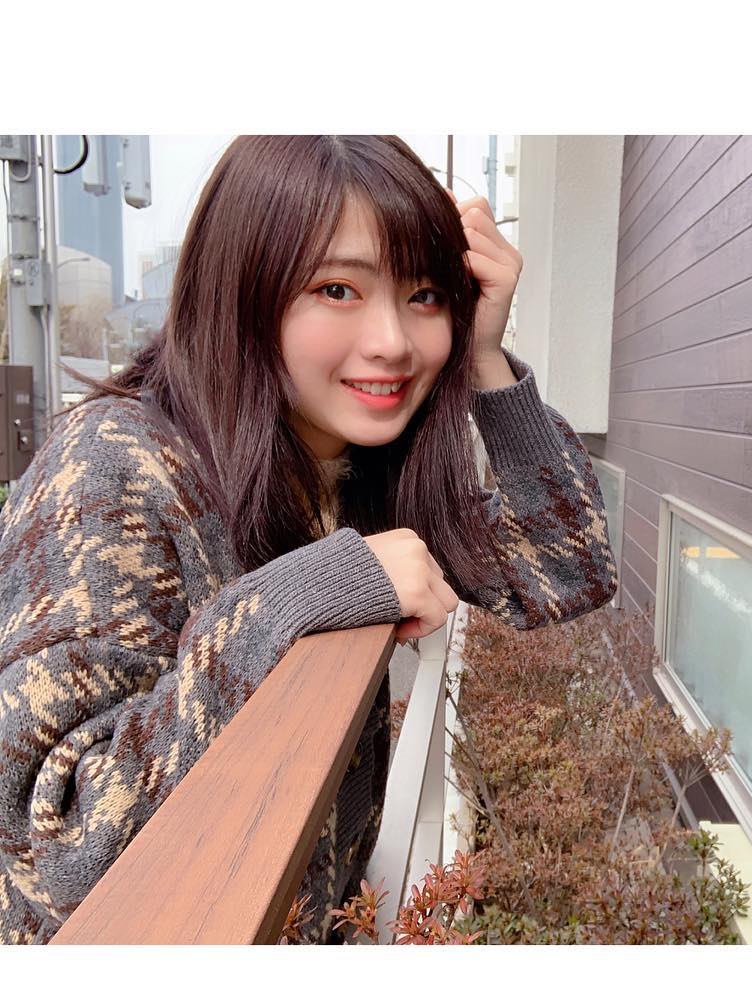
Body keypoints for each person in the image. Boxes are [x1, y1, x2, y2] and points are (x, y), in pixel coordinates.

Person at [0, 135, 617, 944]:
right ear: (240, 290)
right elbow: (48, 843)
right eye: (337, 289)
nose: (393, 341)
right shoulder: (113, 465)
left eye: (426, 295)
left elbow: (568, 572)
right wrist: (307, 593)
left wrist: (485, 356)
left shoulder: (355, 460)